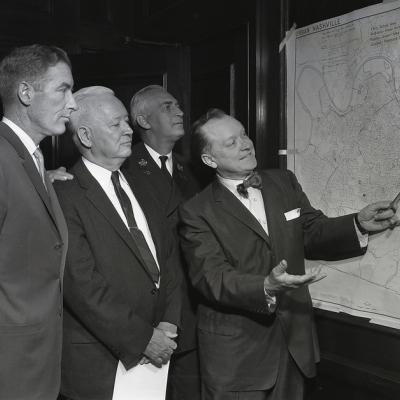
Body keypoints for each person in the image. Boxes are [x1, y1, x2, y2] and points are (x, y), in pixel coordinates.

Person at [179, 108, 398, 400]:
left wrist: (358, 223)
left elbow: (311, 231)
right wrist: (265, 287)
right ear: (209, 159)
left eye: (243, 134)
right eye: (231, 142)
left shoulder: (284, 182)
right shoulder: (196, 211)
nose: (246, 144)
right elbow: (210, 277)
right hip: (237, 358)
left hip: (295, 344)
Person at [54, 86, 181, 400]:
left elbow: (170, 256)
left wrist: (168, 321)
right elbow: (82, 285)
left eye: (127, 121)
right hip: (99, 365)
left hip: (160, 354)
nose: (128, 130)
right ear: (85, 136)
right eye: (116, 124)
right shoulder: (63, 195)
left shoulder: (144, 181)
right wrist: (143, 338)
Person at [0, 44, 76, 400]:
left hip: (37, 367)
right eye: (63, 89)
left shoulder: (33, 159)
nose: (73, 104)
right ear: (26, 93)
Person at [123, 84, 201, 399]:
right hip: (150, 312)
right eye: (168, 106)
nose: (180, 112)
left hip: (190, 308)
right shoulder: (124, 165)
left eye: (179, 105)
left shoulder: (188, 168)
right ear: (143, 120)